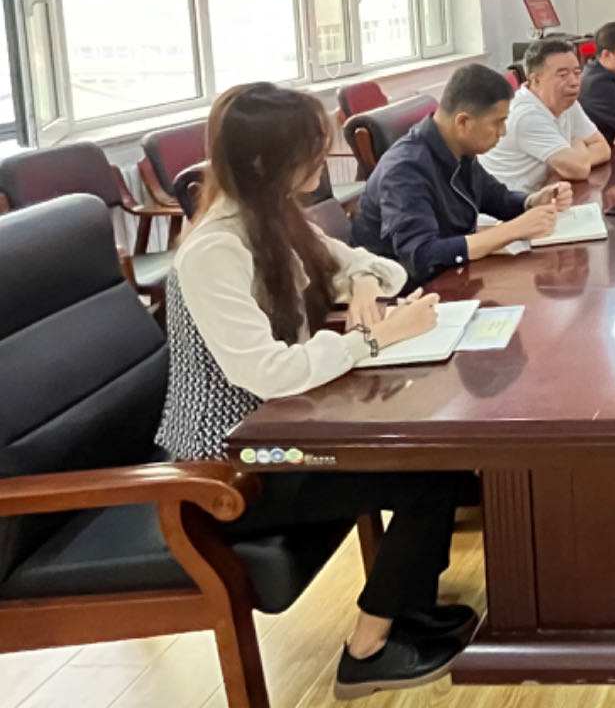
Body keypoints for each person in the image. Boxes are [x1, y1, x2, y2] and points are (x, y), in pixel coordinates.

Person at [156, 83, 481, 697]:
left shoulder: (274, 217)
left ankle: (409, 609)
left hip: (283, 427)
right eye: (311, 150)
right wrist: (377, 339)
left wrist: (362, 285)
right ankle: (367, 649)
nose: (323, 161)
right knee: (428, 480)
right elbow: (267, 372)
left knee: (437, 459)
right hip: (233, 463)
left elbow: (380, 266)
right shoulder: (214, 250)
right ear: (266, 161)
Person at [354, 64, 572, 286]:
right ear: (463, 122)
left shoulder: (459, 149)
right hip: (405, 292)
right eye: (498, 122)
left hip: (454, 277)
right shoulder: (405, 170)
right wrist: (511, 231)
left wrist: (533, 201)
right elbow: (420, 255)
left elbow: (495, 197)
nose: (503, 131)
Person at [480, 36, 611, 193]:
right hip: (512, 205)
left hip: (544, 194)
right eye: (563, 75)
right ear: (536, 80)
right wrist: (576, 143)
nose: (574, 82)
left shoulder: (566, 101)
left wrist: (568, 160)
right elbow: (579, 169)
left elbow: (603, 148)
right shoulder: (526, 116)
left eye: (577, 73)